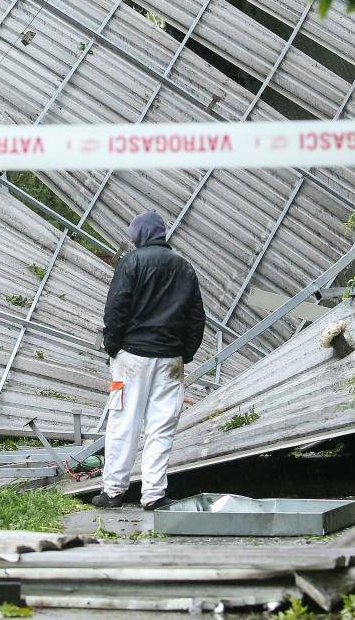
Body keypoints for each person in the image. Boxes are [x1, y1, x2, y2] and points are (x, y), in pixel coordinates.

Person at [92, 210, 206, 511]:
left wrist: (113, 346)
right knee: (161, 427)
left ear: (141, 235)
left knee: (123, 423)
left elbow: (116, 308)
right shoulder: (185, 268)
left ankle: (113, 492)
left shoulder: (132, 263)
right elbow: (197, 317)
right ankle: (154, 495)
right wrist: (186, 352)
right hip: (170, 359)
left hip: (132, 358)